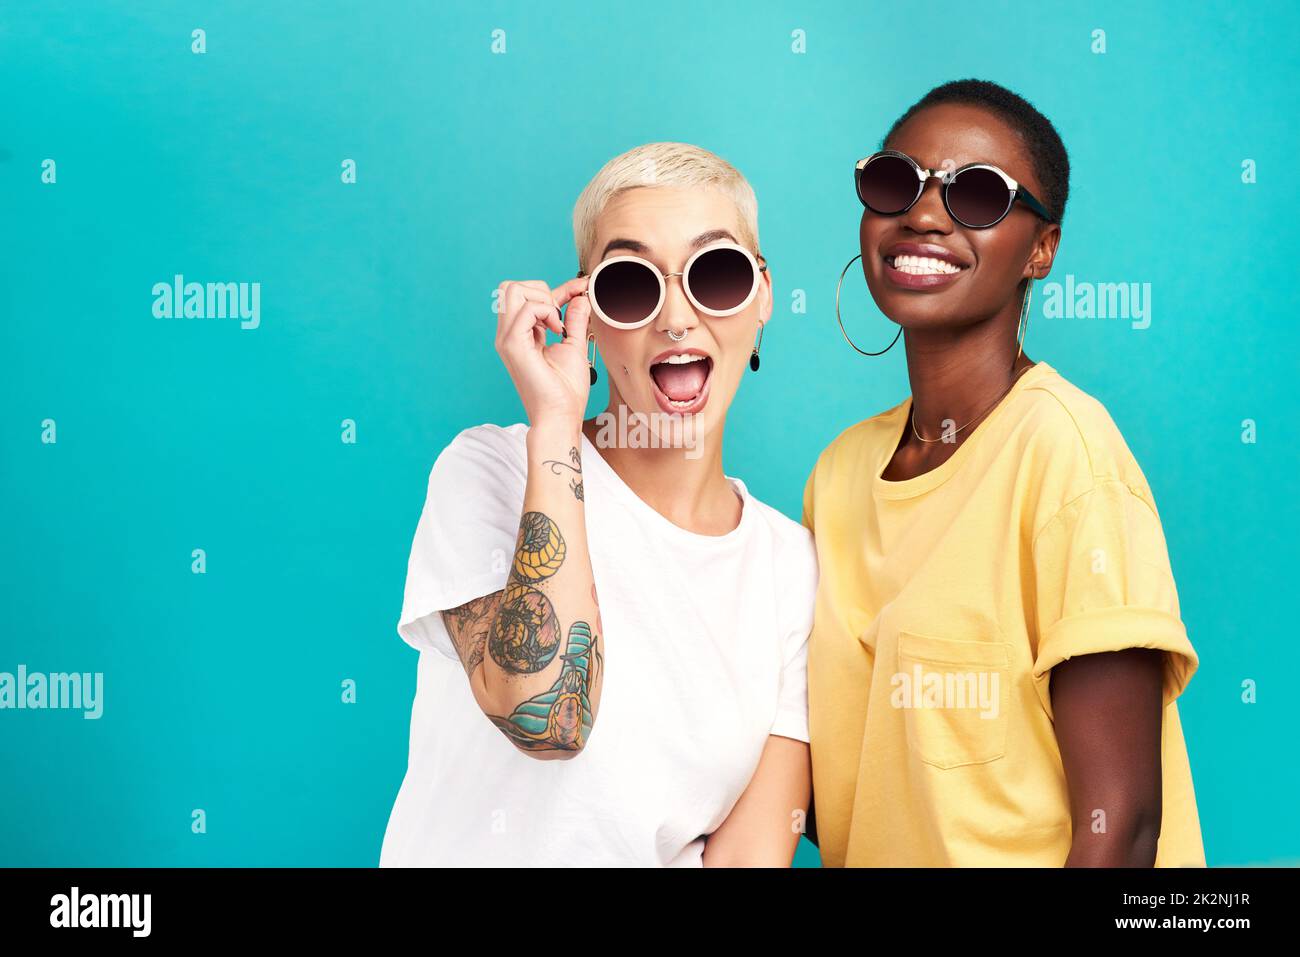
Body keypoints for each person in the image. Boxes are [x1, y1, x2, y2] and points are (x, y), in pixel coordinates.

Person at [802, 80, 1204, 866]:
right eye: (897, 182)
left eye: (976, 195)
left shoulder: (1065, 453)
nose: (923, 214)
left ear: (1042, 248)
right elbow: (852, 779)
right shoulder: (840, 473)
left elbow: (1119, 833)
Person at [381, 142, 817, 867]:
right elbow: (550, 716)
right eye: (631, 285)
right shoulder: (489, 470)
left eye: (716, 273)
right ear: (585, 312)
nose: (677, 319)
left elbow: (750, 855)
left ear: (763, 294)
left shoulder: (790, 567)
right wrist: (555, 424)